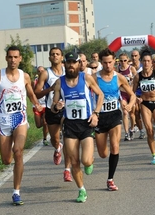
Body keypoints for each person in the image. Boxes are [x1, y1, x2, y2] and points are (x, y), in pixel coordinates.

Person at [0, 46, 43, 205]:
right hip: (4, 122)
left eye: (16, 57)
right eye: (10, 57)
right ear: (6, 58)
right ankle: (12, 162)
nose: (13, 60)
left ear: (20, 58)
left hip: (20, 119)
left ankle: (16, 192)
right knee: (7, 160)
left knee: (18, 151)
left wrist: (36, 104)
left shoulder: (25, 76)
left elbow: (30, 94)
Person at [51, 51, 104, 202]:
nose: (71, 65)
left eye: (74, 62)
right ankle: (81, 190)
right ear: (65, 64)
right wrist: (58, 106)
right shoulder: (60, 83)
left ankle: (89, 162)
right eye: (68, 63)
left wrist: (96, 114)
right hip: (70, 126)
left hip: (86, 124)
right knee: (74, 161)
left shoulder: (86, 78)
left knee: (86, 160)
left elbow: (100, 95)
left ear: (79, 64)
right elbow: (53, 106)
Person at [94, 48, 136, 191]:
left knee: (115, 146)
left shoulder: (119, 78)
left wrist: (129, 105)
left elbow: (132, 95)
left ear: (114, 61)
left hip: (114, 115)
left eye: (110, 62)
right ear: (101, 63)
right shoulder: (94, 78)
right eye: (105, 63)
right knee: (103, 153)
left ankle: (110, 179)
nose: (108, 66)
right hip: (100, 117)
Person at [34, 47, 72, 181]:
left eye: (57, 54)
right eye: (52, 54)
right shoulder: (45, 73)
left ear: (62, 57)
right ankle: (57, 148)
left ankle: (67, 170)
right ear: (49, 58)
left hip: (67, 110)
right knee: (55, 140)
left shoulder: (68, 71)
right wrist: (51, 88)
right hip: (51, 110)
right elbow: (36, 93)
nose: (55, 56)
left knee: (68, 139)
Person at [117, 53, 137, 141]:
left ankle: (132, 128)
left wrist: (132, 78)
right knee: (125, 112)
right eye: (121, 61)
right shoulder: (117, 70)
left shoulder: (131, 68)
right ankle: (126, 133)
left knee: (132, 114)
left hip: (131, 93)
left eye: (125, 60)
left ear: (128, 60)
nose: (123, 62)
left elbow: (137, 79)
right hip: (122, 94)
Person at [130, 49, 146, 139]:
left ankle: (152, 128)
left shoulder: (143, 66)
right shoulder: (129, 68)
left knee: (145, 113)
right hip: (134, 93)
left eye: (136, 56)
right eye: (132, 56)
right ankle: (141, 131)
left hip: (144, 93)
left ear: (139, 56)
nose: (134, 58)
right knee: (136, 112)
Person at [32, 66, 49, 146]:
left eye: (42, 71)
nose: (40, 72)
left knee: (45, 122)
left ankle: (45, 138)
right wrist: (35, 104)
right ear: (37, 73)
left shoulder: (47, 81)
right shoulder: (34, 82)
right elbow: (31, 94)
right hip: (37, 106)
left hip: (45, 105)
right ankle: (51, 123)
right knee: (38, 125)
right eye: (39, 71)